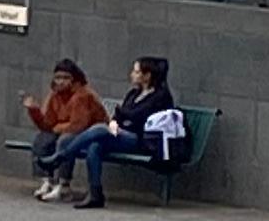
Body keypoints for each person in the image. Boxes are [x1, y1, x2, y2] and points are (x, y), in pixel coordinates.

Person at [55, 52, 188, 208]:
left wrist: (122, 118)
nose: (132, 75)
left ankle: (60, 157)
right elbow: (120, 117)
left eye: (136, 72)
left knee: (99, 129)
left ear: (147, 76)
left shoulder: (161, 96)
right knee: (95, 146)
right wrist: (115, 124)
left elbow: (138, 117)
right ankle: (95, 194)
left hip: (143, 140)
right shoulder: (134, 94)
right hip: (122, 134)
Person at [24, 57, 109, 200]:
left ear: (74, 79)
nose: (61, 81)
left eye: (65, 78)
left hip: (91, 133)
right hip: (66, 130)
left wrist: (56, 128)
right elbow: (47, 124)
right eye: (57, 77)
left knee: (66, 141)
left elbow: (79, 125)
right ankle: (47, 180)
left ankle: (64, 184)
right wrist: (34, 111)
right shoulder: (55, 95)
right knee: (42, 139)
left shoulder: (83, 95)